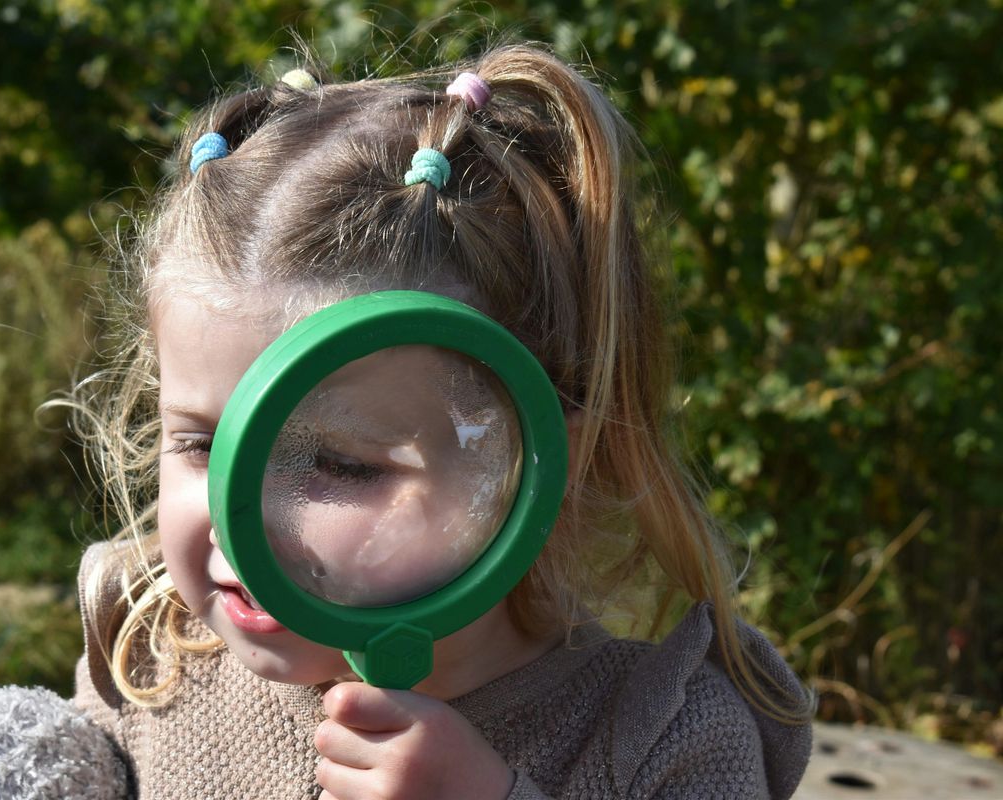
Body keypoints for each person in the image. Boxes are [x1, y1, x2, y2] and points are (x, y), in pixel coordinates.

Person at [67, 43, 814, 799]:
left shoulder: (663, 737)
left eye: (338, 464)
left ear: (535, 465)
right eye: (200, 444)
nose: (241, 522)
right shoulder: (149, 667)